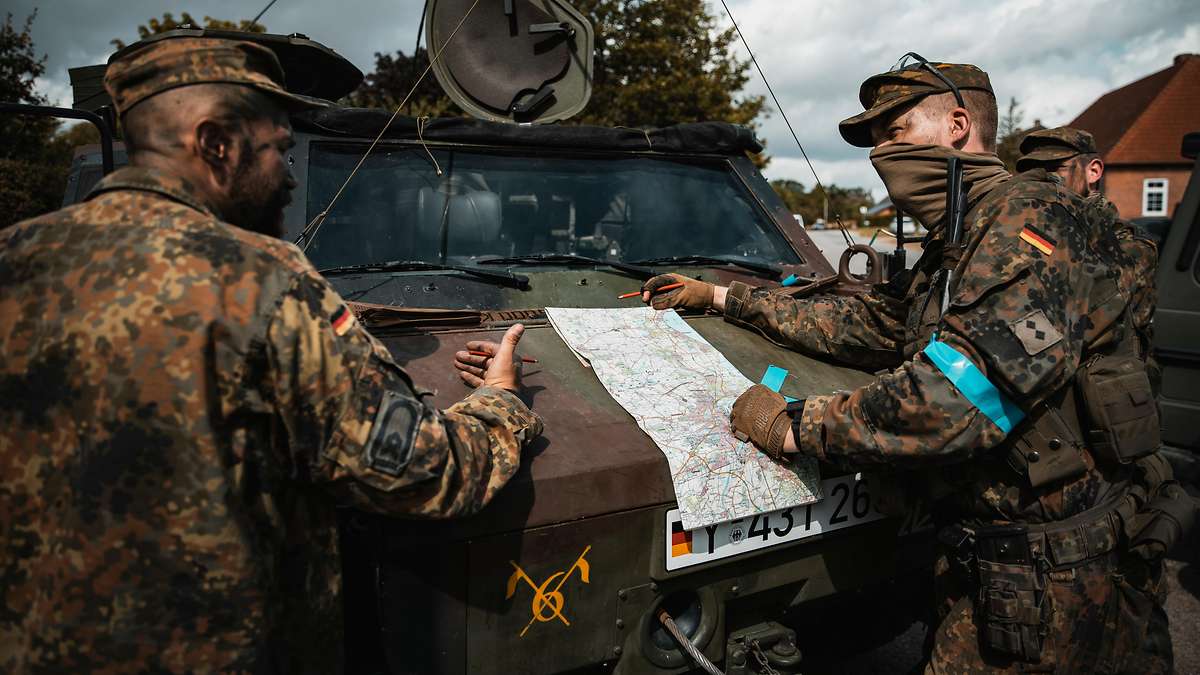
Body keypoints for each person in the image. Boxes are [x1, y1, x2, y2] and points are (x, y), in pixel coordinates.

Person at [0, 37, 543, 674]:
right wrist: (501, 402)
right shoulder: (263, 282)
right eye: (280, 150)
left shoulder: (13, 259)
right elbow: (421, 474)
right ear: (215, 145)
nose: (289, 174)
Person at [643, 56, 1189, 672]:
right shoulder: (962, 240)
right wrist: (723, 297)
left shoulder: (1029, 224)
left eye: (894, 133)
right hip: (1005, 562)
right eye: (874, 143)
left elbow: (958, 400)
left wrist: (796, 425)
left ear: (958, 125)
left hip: (1059, 578)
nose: (880, 156)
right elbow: (873, 324)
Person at [1017, 126, 1160, 385]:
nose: (1043, 182)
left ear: (1093, 171)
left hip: (1103, 402)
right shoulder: (1029, 233)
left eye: (1055, 170)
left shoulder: (1128, 244)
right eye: (1033, 173)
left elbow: (1076, 326)